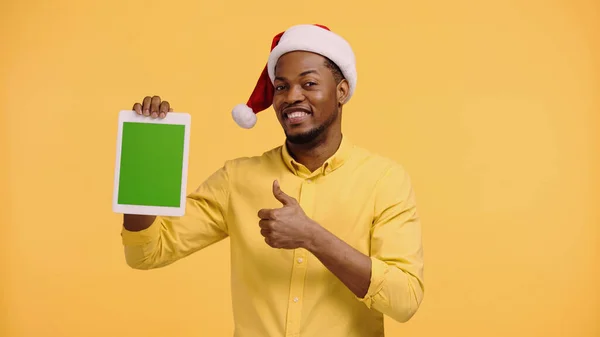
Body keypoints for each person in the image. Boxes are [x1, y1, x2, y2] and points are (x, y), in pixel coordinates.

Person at [121, 24, 424, 337]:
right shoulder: (237, 179)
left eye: (308, 83)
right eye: (281, 87)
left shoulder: (385, 181)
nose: (292, 97)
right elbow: (147, 253)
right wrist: (144, 161)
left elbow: (405, 300)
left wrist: (313, 237)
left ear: (342, 91)